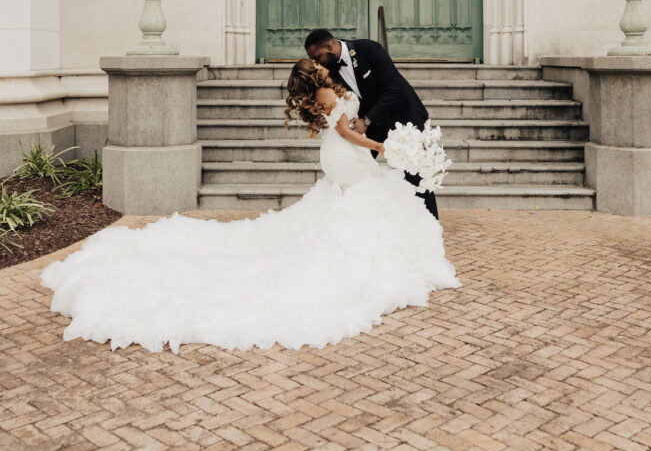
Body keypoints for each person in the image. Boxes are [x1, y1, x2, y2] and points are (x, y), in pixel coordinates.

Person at [39, 58, 460, 354]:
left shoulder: (329, 91)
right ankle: (364, 256)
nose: (323, 65)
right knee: (367, 196)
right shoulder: (328, 93)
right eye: (318, 64)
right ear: (315, 74)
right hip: (347, 154)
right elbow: (348, 134)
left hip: (344, 155)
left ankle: (372, 250)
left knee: (359, 200)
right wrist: (382, 145)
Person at [305, 29, 439, 219]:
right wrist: (321, 119)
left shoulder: (369, 49)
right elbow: (329, 102)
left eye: (318, 57)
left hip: (403, 118)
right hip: (370, 127)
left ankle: (429, 223)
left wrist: (367, 120)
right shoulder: (329, 71)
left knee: (416, 172)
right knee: (359, 170)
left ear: (328, 46)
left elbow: (393, 89)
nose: (317, 63)